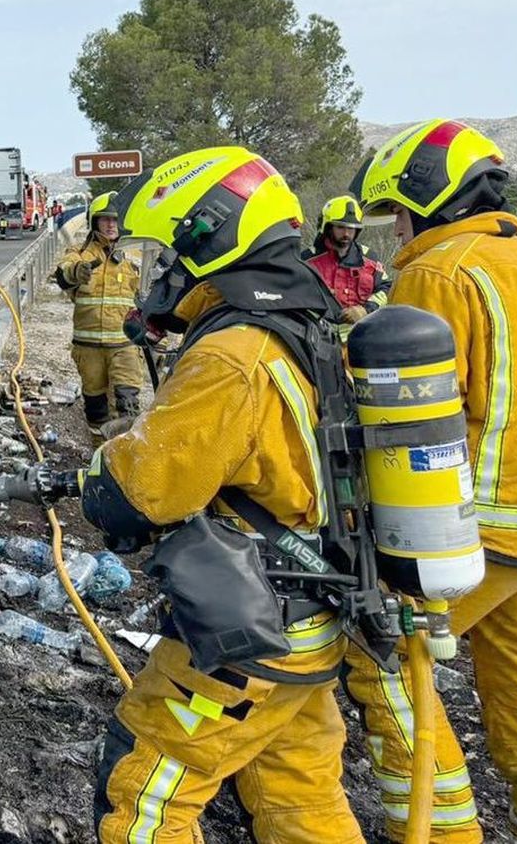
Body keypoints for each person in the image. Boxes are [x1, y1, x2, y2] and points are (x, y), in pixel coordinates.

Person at [344, 119, 517, 843]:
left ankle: (443, 834)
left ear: (428, 199)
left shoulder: (438, 274)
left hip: (470, 533)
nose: (395, 230)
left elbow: (409, 410)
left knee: (386, 669)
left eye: (398, 212)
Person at [79, 147, 362, 839]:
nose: (167, 271)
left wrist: (98, 474)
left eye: (176, 250)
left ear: (213, 236)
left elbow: (142, 493)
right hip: (311, 621)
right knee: (299, 799)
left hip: (249, 637)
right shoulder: (300, 322)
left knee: (142, 797)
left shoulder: (233, 356)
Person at [55, 192, 142, 431]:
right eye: (105, 219)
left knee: (128, 405)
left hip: (124, 345)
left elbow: (150, 296)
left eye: (115, 219)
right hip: (88, 348)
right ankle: (98, 450)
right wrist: (76, 272)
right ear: (95, 221)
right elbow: (63, 273)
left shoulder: (134, 255)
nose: (111, 224)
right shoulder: (80, 253)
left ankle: (126, 451)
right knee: (96, 408)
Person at [302, 194, 391, 337]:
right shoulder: (307, 260)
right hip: (317, 338)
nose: (346, 234)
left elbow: (387, 288)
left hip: (362, 337)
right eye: (340, 227)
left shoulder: (370, 259)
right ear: (327, 227)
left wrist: (365, 309)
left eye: (351, 228)